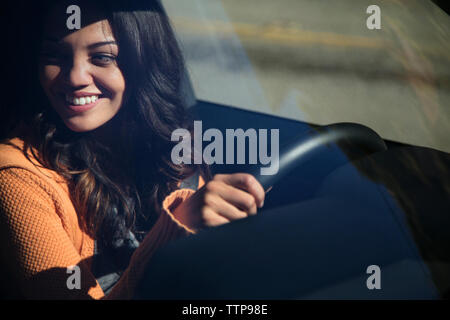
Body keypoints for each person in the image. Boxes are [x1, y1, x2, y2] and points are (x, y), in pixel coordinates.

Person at [0, 0, 265, 299]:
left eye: (101, 57)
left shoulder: (172, 143)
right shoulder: (17, 178)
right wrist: (178, 228)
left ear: (143, 61)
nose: (74, 78)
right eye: (53, 56)